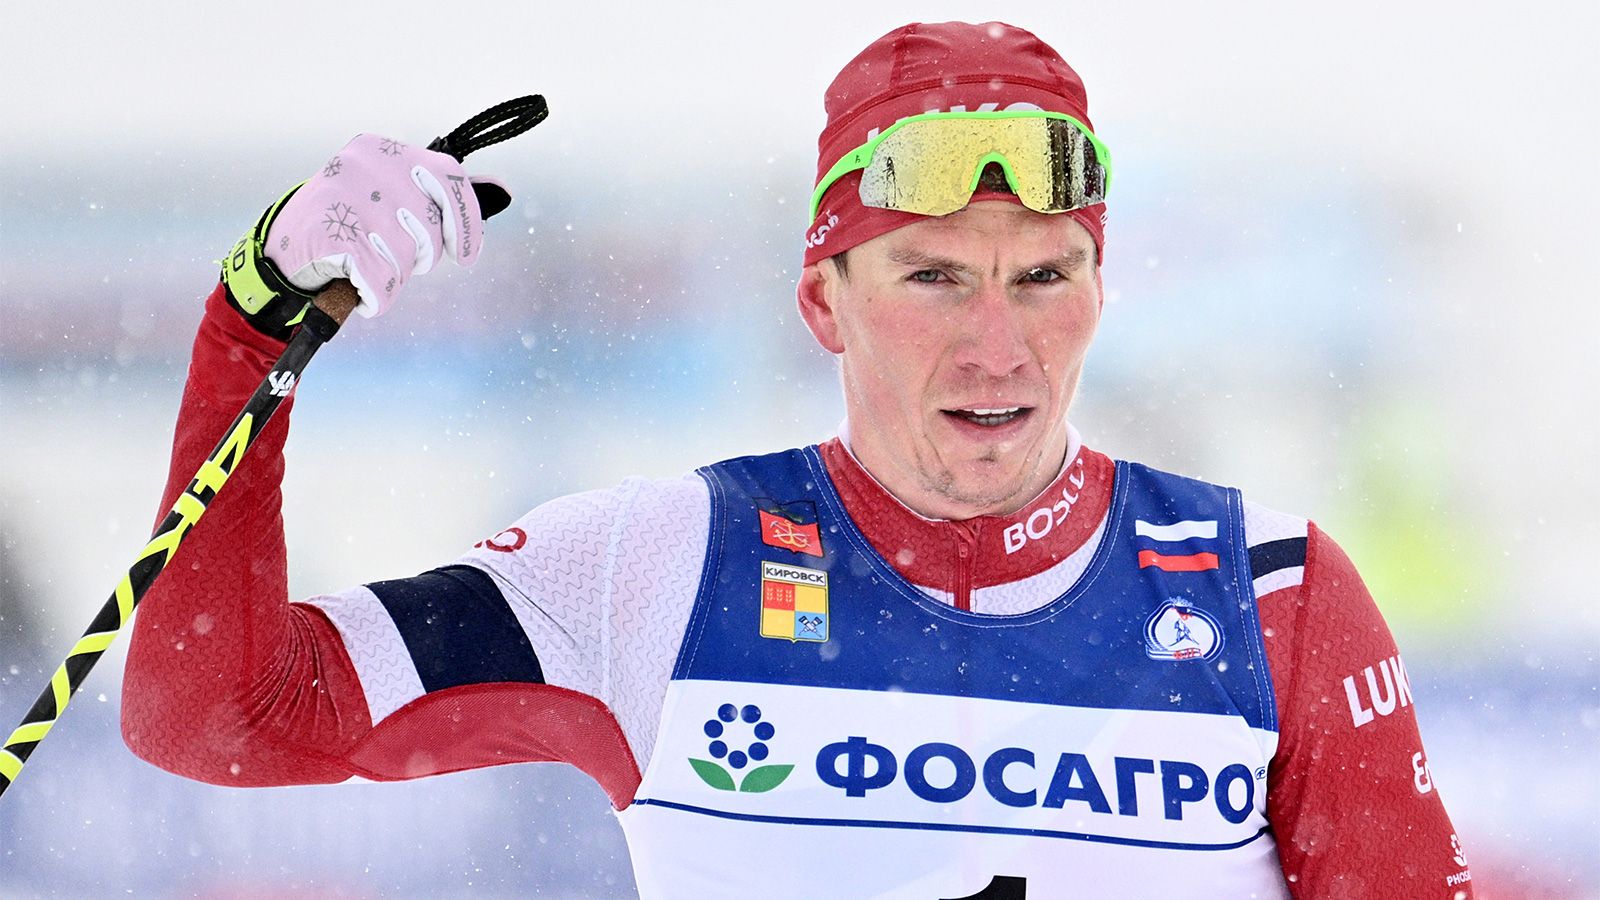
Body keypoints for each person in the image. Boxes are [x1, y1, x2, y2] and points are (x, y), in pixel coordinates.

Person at [121, 21, 1474, 899]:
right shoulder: (662, 563)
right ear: (824, 303)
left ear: (1100, 292)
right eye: (934, 277)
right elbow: (216, 717)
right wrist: (255, 324)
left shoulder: (1266, 590)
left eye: (1044, 277)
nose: (999, 347)